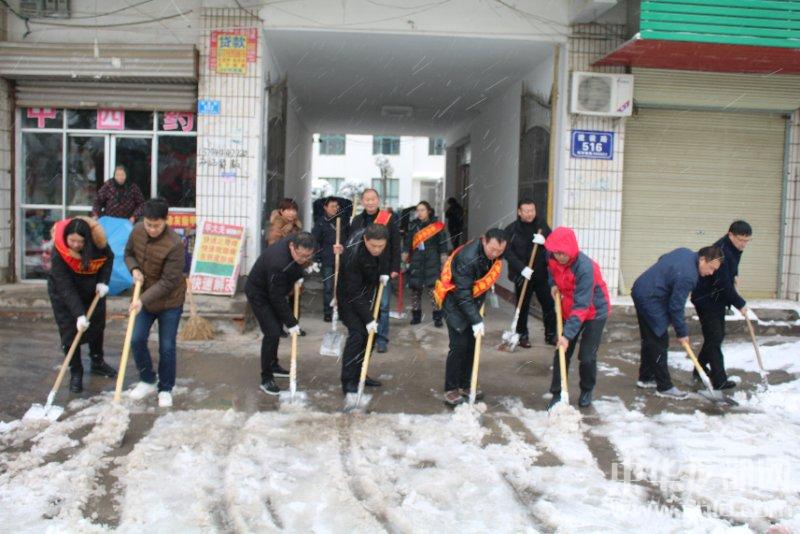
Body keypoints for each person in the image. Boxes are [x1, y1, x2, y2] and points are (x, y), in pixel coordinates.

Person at [632, 245, 724, 398]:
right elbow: (676, 306)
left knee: (650, 338)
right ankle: (664, 387)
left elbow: (662, 259)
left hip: (642, 288)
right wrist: (682, 333)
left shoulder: (685, 252)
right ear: (702, 259)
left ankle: (646, 377)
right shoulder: (688, 276)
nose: (711, 273)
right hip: (650, 298)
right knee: (659, 340)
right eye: (711, 268)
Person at [124, 198, 187, 408]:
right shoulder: (137, 231)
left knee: (166, 346)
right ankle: (147, 379)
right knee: (136, 339)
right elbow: (128, 254)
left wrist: (142, 300)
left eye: (156, 225)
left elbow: (169, 282)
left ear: (165, 220)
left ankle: (166, 388)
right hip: (144, 299)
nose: (151, 229)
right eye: (148, 224)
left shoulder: (175, 244)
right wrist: (134, 268)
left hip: (169, 302)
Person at [435, 228, 506, 406]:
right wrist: (476, 320)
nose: (495, 254)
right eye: (492, 249)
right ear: (484, 241)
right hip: (455, 303)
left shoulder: (494, 252)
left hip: (472, 303)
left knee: (472, 346)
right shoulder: (467, 258)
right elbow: (463, 294)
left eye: (500, 251)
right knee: (458, 347)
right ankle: (451, 389)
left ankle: (465, 384)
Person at [47, 216, 116, 393]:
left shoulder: (98, 245)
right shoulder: (59, 253)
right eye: (72, 240)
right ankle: (76, 371)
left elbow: (109, 258)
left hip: (92, 289)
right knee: (70, 331)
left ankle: (97, 361)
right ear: (66, 238)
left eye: (80, 241)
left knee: (96, 325)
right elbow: (65, 287)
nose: (76, 245)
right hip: (64, 294)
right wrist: (78, 314)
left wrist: (103, 282)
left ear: (88, 240)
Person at [544, 227, 610, 409]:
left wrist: (567, 336)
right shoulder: (551, 257)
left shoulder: (585, 268)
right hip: (569, 306)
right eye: (556, 253)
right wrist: (553, 284)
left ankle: (587, 389)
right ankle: (557, 393)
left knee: (587, 356)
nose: (560, 257)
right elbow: (551, 272)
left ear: (572, 249)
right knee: (561, 352)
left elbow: (582, 306)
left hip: (594, 311)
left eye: (563, 253)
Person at [245, 232, 316, 395]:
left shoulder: (301, 242)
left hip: (274, 289)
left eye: (308, 256)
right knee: (272, 332)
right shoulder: (278, 263)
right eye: (301, 255)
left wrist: (300, 273)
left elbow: (298, 263)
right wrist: (291, 323)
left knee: (277, 327)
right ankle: (266, 378)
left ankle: (274, 365)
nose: (303, 259)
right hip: (259, 293)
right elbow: (276, 298)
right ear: (292, 246)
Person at [691, 221, 752, 390]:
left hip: (716, 297)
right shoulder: (722, 250)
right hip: (706, 298)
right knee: (715, 337)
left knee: (716, 336)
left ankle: (699, 369)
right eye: (741, 240)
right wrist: (740, 304)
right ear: (730, 235)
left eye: (747, 241)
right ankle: (719, 380)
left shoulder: (734, 247)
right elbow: (723, 284)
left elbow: (730, 269)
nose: (743, 244)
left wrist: (735, 274)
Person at [338, 224, 389, 393]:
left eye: (381, 246)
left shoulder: (380, 244)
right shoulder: (353, 255)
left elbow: (386, 255)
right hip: (348, 298)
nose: (377, 249)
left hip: (368, 293)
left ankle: (360, 373)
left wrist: (384, 271)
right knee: (358, 335)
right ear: (365, 240)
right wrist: (368, 319)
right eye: (373, 246)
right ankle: (348, 381)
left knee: (370, 337)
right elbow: (353, 292)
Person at [349, 188, 401, 353]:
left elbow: (395, 244)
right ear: (362, 202)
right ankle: (364, 335)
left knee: (383, 306)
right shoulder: (357, 220)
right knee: (364, 303)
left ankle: (381, 339)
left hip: (383, 268)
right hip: (362, 269)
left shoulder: (388, 219)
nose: (370, 202)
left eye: (373, 199)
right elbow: (351, 244)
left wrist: (394, 267)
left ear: (378, 200)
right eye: (367, 199)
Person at [503, 198, 556, 347]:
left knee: (548, 304)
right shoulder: (511, 230)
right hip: (522, 275)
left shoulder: (542, 225)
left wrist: (545, 241)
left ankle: (551, 334)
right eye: (526, 211)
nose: (529, 214)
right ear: (519, 212)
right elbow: (507, 253)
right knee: (522, 306)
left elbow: (553, 243)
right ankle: (522, 335)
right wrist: (522, 268)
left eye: (532, 210)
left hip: (541, 273)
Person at [404, 201, 451, 326]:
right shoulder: (413, 226)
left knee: (433, 290)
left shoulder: (437, 226)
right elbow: (408, 243)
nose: (419, 213)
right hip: (417, 259)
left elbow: (443, 244)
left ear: (429, 211)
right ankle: (416, 316)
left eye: (422, 210)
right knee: (415, 289)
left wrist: (443, 258)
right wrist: (404, 254)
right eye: (418, 210)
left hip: (432, 259)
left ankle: (437, 317)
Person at [311, 197, 349, 322]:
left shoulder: (342, 221)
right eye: (332, 206)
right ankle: (328, 312)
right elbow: (315, 241)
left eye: (336, 206)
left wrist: (343, 248)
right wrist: (318, 257)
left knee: (341, 287)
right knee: (328, 287)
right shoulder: (320, 223)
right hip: (327, 259)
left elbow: (348, 239)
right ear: (325, 207)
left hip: (341, 259)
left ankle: (340, 311)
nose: (335, 209)